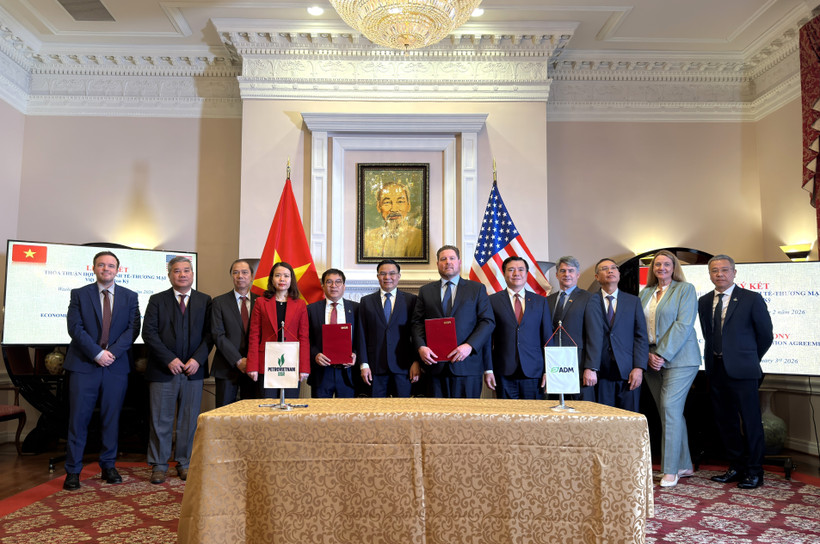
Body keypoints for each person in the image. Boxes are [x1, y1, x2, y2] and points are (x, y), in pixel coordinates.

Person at [62, 251, 140, 490]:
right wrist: (97, 353)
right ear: (93, 268)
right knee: (78, 419)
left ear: (118, 270)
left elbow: (132, 330)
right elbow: (75, 328)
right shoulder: (79, 294)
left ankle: (108, 465)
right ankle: (73, 471)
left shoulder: (130, 296)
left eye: (111, 265)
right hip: (84, 365)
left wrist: (111, 354)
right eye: (102, 265)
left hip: (115, 367)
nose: (106, 269)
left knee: (111, 418)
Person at [699, 254, 773, 489]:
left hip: (744, 370)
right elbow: (708, 335)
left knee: (751, 422)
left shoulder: (751, 299)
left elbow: (765, 335)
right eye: (714, 270)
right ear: (709, 274)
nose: (719, 274)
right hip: (716, 368)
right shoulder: (703, 301)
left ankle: (754, 471)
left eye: (724, 270)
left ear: (734, 273)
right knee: (725, 421)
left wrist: (749, 357)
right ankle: (736, 466)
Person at [143, 256, 212, 484]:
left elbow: (210, 335)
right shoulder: (157, 300)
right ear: (169, 274)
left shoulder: (205, 300)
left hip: (193, 371)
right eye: (177, 271)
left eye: (186, 270)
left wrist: (198, 360)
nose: (182, 274)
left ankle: (185, 463)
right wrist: (169, 359)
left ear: (192, 274)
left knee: (189, 420)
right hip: (164, 371)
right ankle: (159, 464)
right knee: (160, 420)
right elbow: (149, 333)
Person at [638, 249, 700, 488]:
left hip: (680, 359)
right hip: (650, 360)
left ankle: (671, 470)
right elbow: (638, 328)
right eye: (657, 265)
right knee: (669, 412)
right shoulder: (645, 293)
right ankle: (684, 464)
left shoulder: (685, 290)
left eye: (666, 264)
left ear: (674, 267)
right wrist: (647, 355)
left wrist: (661, 354)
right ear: (652, 269)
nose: (661, 268)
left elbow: (683, 325)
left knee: (669, 407)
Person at [412, 245, 495, 398]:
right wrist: (421, 347)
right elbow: (417, 322)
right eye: (443, 259)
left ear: (459, 262)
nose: (448, 262)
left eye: (452, 258)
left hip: (467, 365)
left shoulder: (477, 289)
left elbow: (487, 321)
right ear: (437, 264)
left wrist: (470, 346)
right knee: (436, 418)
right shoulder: (426, 291)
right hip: (434, 366)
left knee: (466, 418)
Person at [583, 258, 649, 411]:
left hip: (628, 373)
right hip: (600, 373)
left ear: (619, 274)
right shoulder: (589, 301)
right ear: (597, 277)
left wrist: (639, 368)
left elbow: (641, 337)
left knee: (629, 421)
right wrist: (589, 367)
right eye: (604, 268)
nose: (610, 271)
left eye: (614, 268)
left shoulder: (633, 301)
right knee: (604, 422)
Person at [485, 256, 552, 399]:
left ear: (527, 274)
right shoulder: (492, 301)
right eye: (511, 270)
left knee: (533, 417)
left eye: (521, 269)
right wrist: (488, 369)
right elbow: (487, 340)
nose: (516, 273)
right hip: (503, 371)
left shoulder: (540, 302)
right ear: (504, 274)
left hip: (534, 372)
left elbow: (547, 338)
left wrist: (549, 370)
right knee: (506, 418)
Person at [358, 259, 420, 397]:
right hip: (375, 368)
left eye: (392, 273)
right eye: (383, 274)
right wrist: (364, 364)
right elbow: (361, 335)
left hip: (404, 368)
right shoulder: (366, 301)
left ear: (399, 276)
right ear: (377, 276)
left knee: (403, 414)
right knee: (377, 413)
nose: (387, 277)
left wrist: (416, 361)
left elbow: (416, 333)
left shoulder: (411, 300)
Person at [246, 262, 309, 398]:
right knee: (267, 407)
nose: (282, 279)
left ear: (291, 279)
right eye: (278, 275)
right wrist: (252, 366)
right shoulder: (261, 303)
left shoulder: (300, 304)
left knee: (289, 406)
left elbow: (304, 337)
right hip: (267, 363)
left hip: (292, 363)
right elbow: (254, 336)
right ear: (271, 279)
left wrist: (304, 368)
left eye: (286, 276)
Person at [210, 259, 258, 407]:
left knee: (251, 415)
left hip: (254, 368)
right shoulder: (219, 302)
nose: (240, 276)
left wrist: (250, 361)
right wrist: (238, 360)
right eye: (235, 272)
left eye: (244, 272)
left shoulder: (262, 302)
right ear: (231, 276)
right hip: (226, 367)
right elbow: (218, 334)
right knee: (224, 415)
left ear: (251, 276)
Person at [306, 269, 359, 398]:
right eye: (329, 282)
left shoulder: (357, 308)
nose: (333, 286)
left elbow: (362, 338)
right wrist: (315, 355)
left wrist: (356, 354)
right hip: (322, 372)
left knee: (347, 416)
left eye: (338, 282)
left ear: (344, 286)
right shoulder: (311, 309)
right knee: (321, 415)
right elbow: (306, 339)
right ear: (323, 286)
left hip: (348, 373)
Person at [546, 256, 593, 392]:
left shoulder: (589, 298)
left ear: (577, 275)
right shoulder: (548, 300)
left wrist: (590, 367)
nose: (567, 274)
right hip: (554, 366)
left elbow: (594, 335)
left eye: (571, 271)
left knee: (581, 410)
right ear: (556, 275)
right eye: (563, 271)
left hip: (579, 366)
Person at [363, 182, 423, 258]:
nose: (394, 209)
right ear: (378, 207)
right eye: (387, 202)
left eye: (400, 202)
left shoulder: (419, 238)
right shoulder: (368, 238)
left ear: (408, 205)